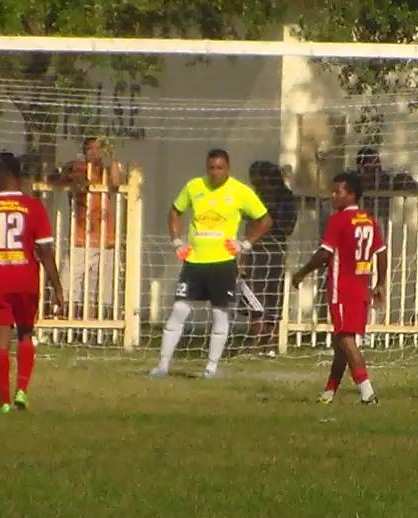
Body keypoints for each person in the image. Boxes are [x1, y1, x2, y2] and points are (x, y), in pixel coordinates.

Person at [149, 148, 272, 379]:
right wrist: (177, 241)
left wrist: (245, 243)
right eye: (211, 168)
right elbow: (174, 212)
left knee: (219, 314)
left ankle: (211, 367)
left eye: (220, 168)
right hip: (194, 261)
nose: (215, 173)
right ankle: (163, 365)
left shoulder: (240, 191)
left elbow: (265, 219)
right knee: (179, 309)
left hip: (223, 263)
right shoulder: (194, 187)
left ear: (228, 168)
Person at [0, 152, 66, 414]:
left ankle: (5, 403)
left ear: (1, 175)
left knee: (0, 341)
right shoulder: (34, 208)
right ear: (19, 177)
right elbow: (45, 252)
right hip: (25, 279)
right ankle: (22, 389)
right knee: (25, 332)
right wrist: (57, 288)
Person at [291, 172, 385, 405]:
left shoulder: (338, 220)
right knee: (342, 341)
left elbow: (325, 254)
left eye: (338, 192)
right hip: (362, 286)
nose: (333, 196)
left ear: (351, 194)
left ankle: (367, 391)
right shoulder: (369, 219)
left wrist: (301, 273)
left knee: (344, 338)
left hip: (341, 289)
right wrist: (380, 283)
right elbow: (381, 252)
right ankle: (330, 391)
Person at [54, 136, 124, 319]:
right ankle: (67, 323)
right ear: (84, 151)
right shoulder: (77, 167)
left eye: (98, 149)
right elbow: (60, 177)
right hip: (80, 238)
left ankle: (93, 329)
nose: (94, 152)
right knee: (69, 284)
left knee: (98, 292)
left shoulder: (106, 171)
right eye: (90, 149)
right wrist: (74, 176)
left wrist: (113, 156)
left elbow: (116, 184)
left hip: (104, 239)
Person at [243, 161, 297, 352]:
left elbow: (287, 227)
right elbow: (248, 222)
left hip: (274, 249)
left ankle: (270, 340)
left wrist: (267, 228)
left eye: (259, 181)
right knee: (252, 295)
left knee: (272, 294)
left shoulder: (285, 199)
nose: (257, 185)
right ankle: (255, 340)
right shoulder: (254, 196)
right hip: (254, 248)